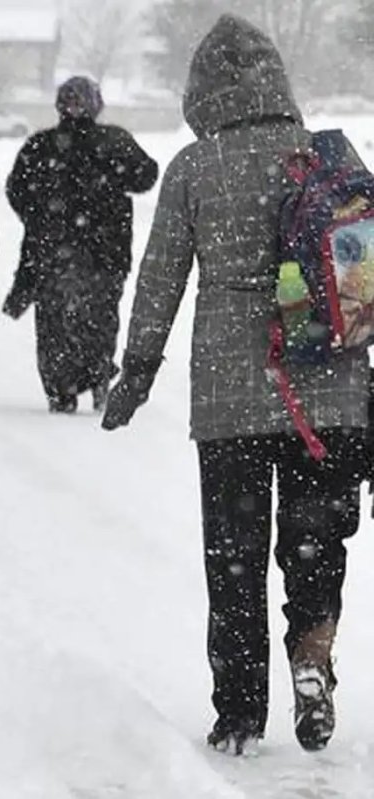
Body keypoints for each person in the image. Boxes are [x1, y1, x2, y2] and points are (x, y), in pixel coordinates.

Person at [102, 15, 369, 756]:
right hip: (330, 388)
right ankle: (312, 656)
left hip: (231, 398)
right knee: (316, 543)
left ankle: (240, 713)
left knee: (235, 558)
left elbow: (160, 279)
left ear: (201, 93)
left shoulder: (195, 167)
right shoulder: (326, 156)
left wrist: (137, 371)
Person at [3, 76, 158, 414]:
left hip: (61, 251)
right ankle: (92, 375)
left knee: (58, 323)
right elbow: (145, 175)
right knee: (94, 320)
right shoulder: (111, 141)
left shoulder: (43, 145)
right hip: (102, 250)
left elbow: (17, 190)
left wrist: (41, 217)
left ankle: (65, 386)